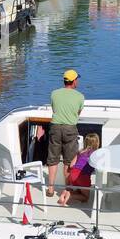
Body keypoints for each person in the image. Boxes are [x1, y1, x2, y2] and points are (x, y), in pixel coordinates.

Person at [46, 69, 84, 197]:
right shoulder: (80, 96)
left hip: (55, 128)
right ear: (73, 81)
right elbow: (77, 114)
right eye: (77, 79)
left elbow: (54, 109)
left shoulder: (54, 94)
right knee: (68, 161)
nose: (77, 81)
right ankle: (67, 189)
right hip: (70, 129)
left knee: (53, 159)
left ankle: (50, 189)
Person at [59, 133, 102, 206]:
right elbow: (99, 166)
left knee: (80, 190)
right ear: (97, 143)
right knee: (85, 198)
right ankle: (70, 195)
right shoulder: (96, 154)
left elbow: (71, 165)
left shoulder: (80, 152)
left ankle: (65, 193)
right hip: (83, 176)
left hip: (73, 174)